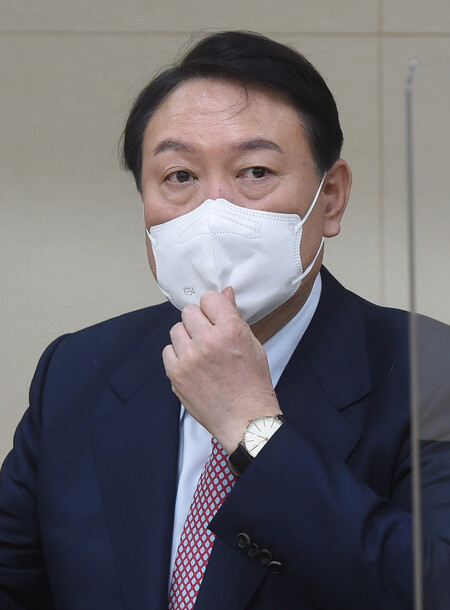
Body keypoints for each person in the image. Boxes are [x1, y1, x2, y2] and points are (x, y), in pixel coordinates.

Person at [0, 30, 449, 610]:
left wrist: (252, 428)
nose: (214, 211)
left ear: (332, 197)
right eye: (180, 176)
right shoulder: (76, 371)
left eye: (254, 171)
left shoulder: (427, 372)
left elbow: (432, 587)